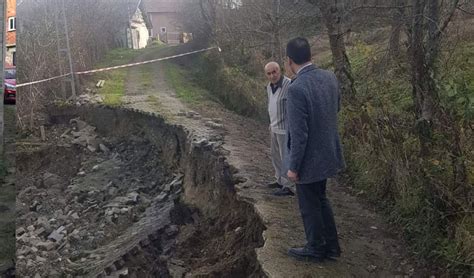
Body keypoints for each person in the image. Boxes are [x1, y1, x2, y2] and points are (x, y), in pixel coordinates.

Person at [285, 37, 345, 262]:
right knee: (321, 200)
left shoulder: (296, 88)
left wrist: (293, 167)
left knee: (309, 206)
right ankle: (332, 248)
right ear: (310, 55)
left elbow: (299, 134)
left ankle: (316, 247)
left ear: (289, 61)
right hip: (329, 152)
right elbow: (335, 108)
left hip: (309, 159)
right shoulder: (330, 77)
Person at [264, 62, 295, 196]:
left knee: (285, 158)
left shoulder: (289, 85)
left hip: (285, 129)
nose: (272, 75)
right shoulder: (269, 87)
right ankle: (279, 180)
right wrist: (271, 124)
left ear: (279, 71)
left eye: (274, 72)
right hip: (274, 127)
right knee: (275, 157)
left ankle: (289, 186)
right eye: (269, 73)